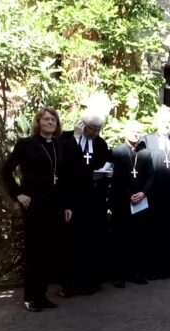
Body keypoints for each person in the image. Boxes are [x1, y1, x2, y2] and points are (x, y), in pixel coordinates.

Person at [1, 107, 72, 312]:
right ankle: (30, 297)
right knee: (35, 252)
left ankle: (41, 295)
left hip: (54, 205)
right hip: (34, 205)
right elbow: (5, 171)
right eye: (46, 119)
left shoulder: (59, 145)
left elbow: (63, 178)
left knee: (49, 252)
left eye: (54, 120)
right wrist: (18, 194)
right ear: (38, 122)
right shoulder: (26, 144)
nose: (50, 122)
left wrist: (66, 204)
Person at [57, 96, 113, 298]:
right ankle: (69, 284)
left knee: (92, 242)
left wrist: (107, 174)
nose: (94, 133)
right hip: (74, 200)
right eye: (91, 129)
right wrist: (78, 139)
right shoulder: (67, 139)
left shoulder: (100, 144)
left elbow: (107, 164)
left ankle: (90, 281)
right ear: (83, 125)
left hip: (94, 201)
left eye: (97, 130)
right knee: (72, 243)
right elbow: (64, 167)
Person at [140, 109, 170, 279]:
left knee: (169, 230)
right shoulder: (147, 140)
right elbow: (142, 166)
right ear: (157, 123)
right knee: (152, 230)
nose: (166, 125)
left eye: (168, 122)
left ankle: (167, 268)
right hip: (152, 193)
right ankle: (151, 269)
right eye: (163, 122)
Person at [108, 121, 152, 288]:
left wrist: (144, 192)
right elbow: (115, 177)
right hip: (122, 201)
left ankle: (136, 273)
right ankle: (119, 276)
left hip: (141, 202)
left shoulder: (145, 153)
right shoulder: (116, 151)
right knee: (120, 239)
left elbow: (151, 175)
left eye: (138, 131)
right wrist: (129, 194)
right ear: (126, 131)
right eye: (133, 130)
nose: (136, 133)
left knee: (138, 238)